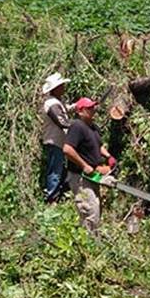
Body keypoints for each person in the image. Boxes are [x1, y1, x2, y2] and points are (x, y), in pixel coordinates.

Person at [62, 97, 116, 235]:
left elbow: (99, 146)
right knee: (90, 210)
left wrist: (108, 156)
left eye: (93, 107)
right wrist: (84, 165)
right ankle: (90, 245)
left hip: (93, 175)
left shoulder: (93, 127)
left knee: (96, 208)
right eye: (89, 108)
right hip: (80, 176)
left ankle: (92, 239)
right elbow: (67, 149)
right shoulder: (77, 126)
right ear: (80, 111)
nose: (93, 110)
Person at [41, 72, 74, 203]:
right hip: (55, 142)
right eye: (61, 85)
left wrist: (78, 106)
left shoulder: (57, 102)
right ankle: (51, 199)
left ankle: (57, 195)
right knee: (55, 171)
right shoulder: (52, 104)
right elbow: (62, 121)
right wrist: (77, 126)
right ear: (55, 88)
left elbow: (65, 110)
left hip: (58, 142)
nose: (64, 87)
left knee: (58, 169)